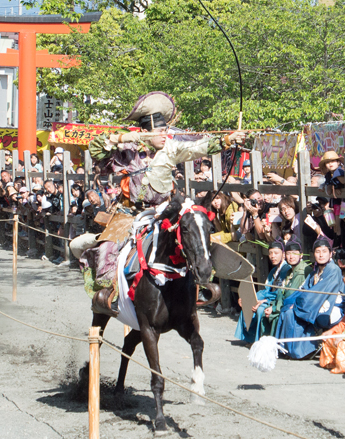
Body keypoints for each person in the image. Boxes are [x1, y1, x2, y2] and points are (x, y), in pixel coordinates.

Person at [71, 91, 247, 316]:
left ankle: (202, 285)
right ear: (144, 133)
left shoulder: (172, 148)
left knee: (194, 233)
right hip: (130, 213)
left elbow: (199, 146)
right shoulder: (128, 152)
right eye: (160, 131)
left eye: (166, 130)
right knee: (108, 247)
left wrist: (227, 140)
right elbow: (95, 149)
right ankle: (108, 294)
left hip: (165, 210)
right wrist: (122, 138)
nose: (165, 135)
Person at [275, 237, 345, 359]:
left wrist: (298, 304)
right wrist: (291, 302)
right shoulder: (314, 273)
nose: (321, 255)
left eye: (324, 251)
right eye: (317, 252)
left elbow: (318, 292)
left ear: (331, 254)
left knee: (296, 312)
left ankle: (303, 350)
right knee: (287, 311)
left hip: (331, 306)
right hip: (314, 303)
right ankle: (287, 349)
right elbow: (302, 290)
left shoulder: (333, 270)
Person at [235, 241, 293, 343]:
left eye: (276, 253)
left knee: (261, 309)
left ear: (283, 254)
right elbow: (266, 290)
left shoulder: (287, 270)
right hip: (269, 297)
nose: (272, 256)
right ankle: (249, 338)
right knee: (248, 303)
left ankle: (259, 340)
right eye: (270, 253)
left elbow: (280, 293)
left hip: (277, 300)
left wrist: (264, 301)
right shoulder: (273, 271)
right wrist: (251, 297)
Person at [259, 239, 308, 335]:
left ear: (301, 255)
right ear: (285, 255)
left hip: (296, 306)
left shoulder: (302, 271)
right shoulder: (290, 271)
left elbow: (290, 295)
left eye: (294, 253)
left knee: (274, 314)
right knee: (265, 312)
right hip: (283, 304)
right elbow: (281, 292)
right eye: (289, 254)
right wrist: (273, 305)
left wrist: (274, 308)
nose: (291, 257)